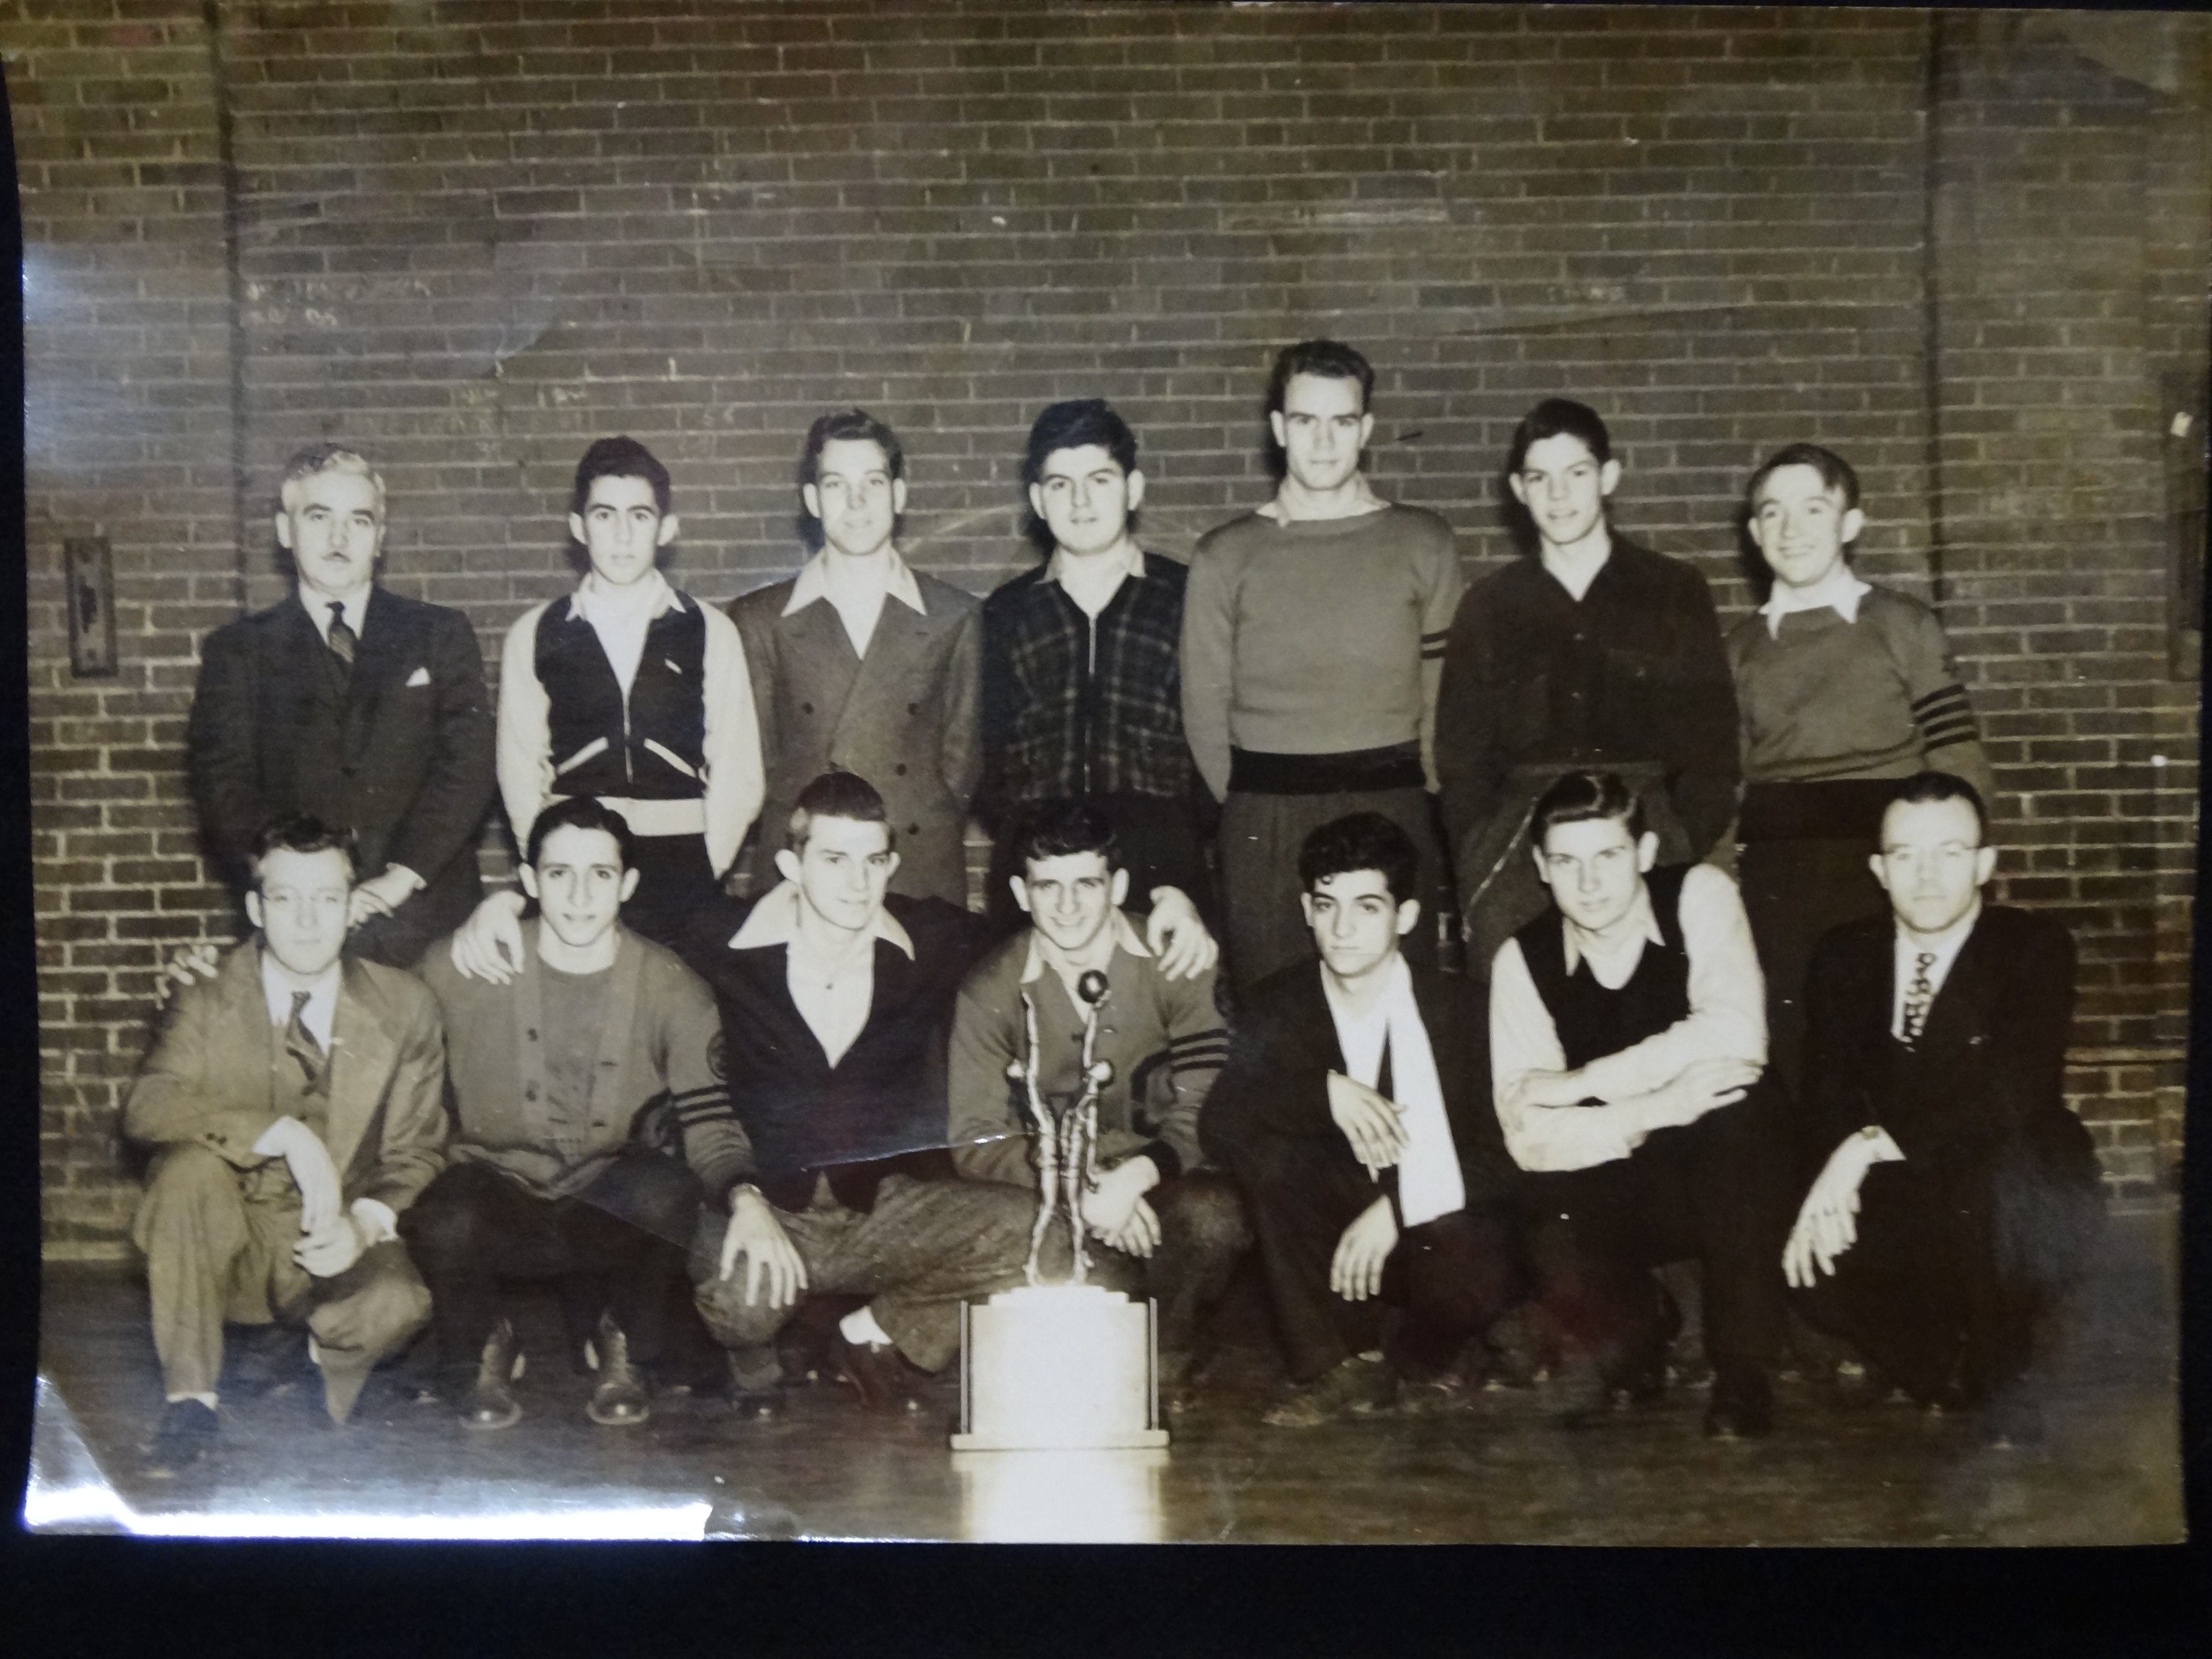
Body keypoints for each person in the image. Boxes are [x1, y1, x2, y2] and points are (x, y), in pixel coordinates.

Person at [445, 770, 1218, 1418]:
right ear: (790, 864)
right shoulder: (722, 940)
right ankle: (759, 1359)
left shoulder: (935, 941)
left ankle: (868, 1328)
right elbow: (591, 901)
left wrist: (1171, 901)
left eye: (873, 861)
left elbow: (1063, 918)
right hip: (764, 1205)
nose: (856, 882)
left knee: (1055, 1239)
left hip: (882, 1209)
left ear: (890, 864)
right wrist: (503, 903)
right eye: (834, 860)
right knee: (741, 1304)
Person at [404, 797, 745, 1431]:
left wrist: (745, 1193)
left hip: (603, 1204)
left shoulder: (672, 984)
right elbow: (369, 1002)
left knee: (666, 1190)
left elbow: (711, 1118)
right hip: (497, 1198)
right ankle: (487, 1339)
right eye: (560, 874)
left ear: (629, 884)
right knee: (443, 1213)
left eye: (601, 875)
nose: (581, 897)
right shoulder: (471, 962)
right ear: (530, 882)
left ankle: (624, 1342)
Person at [1784, 774, 2101, 1447]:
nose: (1926, 877)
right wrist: (1832, 1176)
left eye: (1950, 853)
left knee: (1992, 1188)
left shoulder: (2033, 947)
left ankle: (2005, 1376)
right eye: (1905, 855)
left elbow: (2013, 1093)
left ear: (1986, 865)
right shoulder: (1844, 954)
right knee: (1810, 1271)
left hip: (2016, 1176)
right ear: (1879, 869)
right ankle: (1939, 1366)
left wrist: (1866, 1147)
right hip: (1909, 1184)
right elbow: (1828, 1087)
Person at [125, 816, 446, 1477]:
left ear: (352, 905)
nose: (307, 921)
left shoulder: (407, 1004)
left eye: (327, 899)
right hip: (229, 1234)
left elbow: (416, 1151)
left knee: (400, 1304)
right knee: (186, 1172)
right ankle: (190, 1401)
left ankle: (309, 1364)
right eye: (285, 899)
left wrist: (362, 1224)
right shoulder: (208, 992)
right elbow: (148, 1105)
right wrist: (283, 1135)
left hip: (328, 1244)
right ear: (254, 908)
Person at [1488, 772, 1789, 1438]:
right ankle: (1638, 1327)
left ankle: (1743, 1370)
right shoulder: (1523, 960)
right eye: (1566, 863)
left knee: (1741, 1111)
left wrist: (1580, 1083)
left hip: (1720, 1170)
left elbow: (1739, 1038)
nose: (1589, 883)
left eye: (1609, 857)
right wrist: (1657, 1105)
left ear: (1646, 853)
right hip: (1619, 1171)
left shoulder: (1701, 895)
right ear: (1540, 868)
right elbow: (1526, 1133)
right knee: (1541, 1195)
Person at [1203, 813, 1519, 1428]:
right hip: (1334, 1222)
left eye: (1367, 907)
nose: (1342, 929)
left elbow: (1507, 1154)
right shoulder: (1279, 1005)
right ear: (1306, 909)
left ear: (1405, 916)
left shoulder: (1464, 1009)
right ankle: (1337, 1366)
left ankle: (1422, 1348)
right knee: (1267, 1159)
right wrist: (1324, 1096)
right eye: (1327, 905)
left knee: (1469, 1270)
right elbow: (1222, 1124)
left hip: (1438, 1226)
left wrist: (1400, 1207)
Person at [1182, 339, 1462, 986]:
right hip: (1266, 819)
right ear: (1279, 429)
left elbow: (1443, 694)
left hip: (1392, 801)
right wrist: (1257, 805)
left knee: (1402, 1013)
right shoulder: (1226, 554)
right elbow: (1204, 706)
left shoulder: (1424, 542)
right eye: (1306, 421)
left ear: (1366, 430)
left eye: (1342, 421)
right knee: (1277, 1022)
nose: (1324, 441)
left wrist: (1414, 796)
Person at [949, 801, 1248, 1393]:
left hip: (1165, 1176)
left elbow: (1211, 1101)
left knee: (1212, 1218)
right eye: (1048, 887)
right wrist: (1085, 1182)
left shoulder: (1176, 960)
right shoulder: (989, 991)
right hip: (1058, 1190)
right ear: (1021, 891)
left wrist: (1136, 1177)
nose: (1066, 906)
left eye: (1086, 884)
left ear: (1119, 886)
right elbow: (974, 1138)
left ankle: (1171, 1346)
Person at [1435, 399, 1740, 975]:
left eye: (1576, 474)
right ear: (1517, 490)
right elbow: (1461, 760)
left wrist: (1675, 844)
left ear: (1609, 477)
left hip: (1646, 836)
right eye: (1539, 478)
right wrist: (1480, 860)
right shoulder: (1489, 606)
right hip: (1521, 847)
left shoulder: (1674, 590)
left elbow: (1713, 744)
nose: (1559, 495)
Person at [1728, 442, 1997, 1093]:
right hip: (1779, 884)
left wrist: (1962, 866)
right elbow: (1726, 788)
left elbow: (1957, 758)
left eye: (1813, 509)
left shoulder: (1904, 625)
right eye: (1773, 513)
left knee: (1895, 1042)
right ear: (1756, 531)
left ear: (1850, 524)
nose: (1792, 530)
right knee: (1794, 1053)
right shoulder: (1735, 650)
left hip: (1889, 867)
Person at [188, 444, 495, 969]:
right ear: (286, 531)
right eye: (318, 517)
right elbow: (226, 788)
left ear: (380, 536)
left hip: (426, 920)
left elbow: (468, 767)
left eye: (359, 520)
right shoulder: (238, 651)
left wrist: (400, 878)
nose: (338, 538)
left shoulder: (440, 635)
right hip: (300, 931)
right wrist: (308, 890)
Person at [497, 435, 763, 945]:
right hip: (577, 865)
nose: (622, 535)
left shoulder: (709, 629)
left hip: (682, 862)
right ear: (579, 528)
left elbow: (740, 770)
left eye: (639, 516)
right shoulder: (536, 633)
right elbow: (518, 770)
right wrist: (553, 868)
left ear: (666, 529)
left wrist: (707, 863)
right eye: (604, 515)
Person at [978, 398, 1213, 934]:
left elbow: (1216, 742)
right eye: (1061, 484)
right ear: (1038, 500)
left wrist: (1177, 837)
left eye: (1100, 480)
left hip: (1161, 858)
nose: (1080, 501)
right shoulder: (1008, 610)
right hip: (1039, 858)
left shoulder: (1186, 596)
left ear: (1133, 488)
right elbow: (988, 754)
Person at [731, 409, 982, 906]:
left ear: (900, 495)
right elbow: (756, 764)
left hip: (916, 867)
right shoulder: (760, 620)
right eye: (836, 485)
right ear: (812, 501)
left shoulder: (955, 615)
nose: (857, 502)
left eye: (873, 482)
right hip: (804, 867)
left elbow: (962, 766)